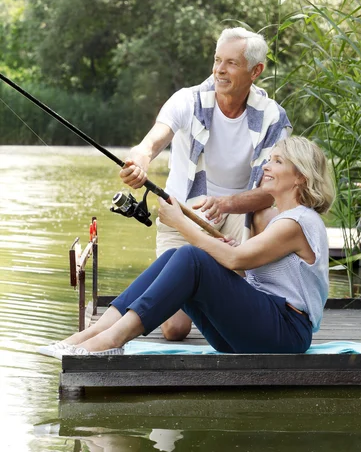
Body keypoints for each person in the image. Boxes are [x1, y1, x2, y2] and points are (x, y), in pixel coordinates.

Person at [38, 136, 335, 359]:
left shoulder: (298, 221)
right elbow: (246, 267)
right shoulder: (284, 221)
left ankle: (111, 340)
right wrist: (222, 251)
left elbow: (234, 260)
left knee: (192, 257)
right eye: (269, 159)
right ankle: (93, 333)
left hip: (284, 334)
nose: (267, 166)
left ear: (301, 177)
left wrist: (181, 223)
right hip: (257, 332)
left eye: (278, 161)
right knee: (175, 256)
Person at [118, 27, 292, 341]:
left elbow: (271, 192)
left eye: (231, 63)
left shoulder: (273, 117)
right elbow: (152, 142)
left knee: (269, 216)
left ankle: (257, 297)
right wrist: (140, 160)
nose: (219, 70)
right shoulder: (187, 100)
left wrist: (225, 204)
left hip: (240, 218)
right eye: (216, 60)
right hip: (184, 214)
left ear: (256, 71)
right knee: (173, 329)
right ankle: (202, 283)